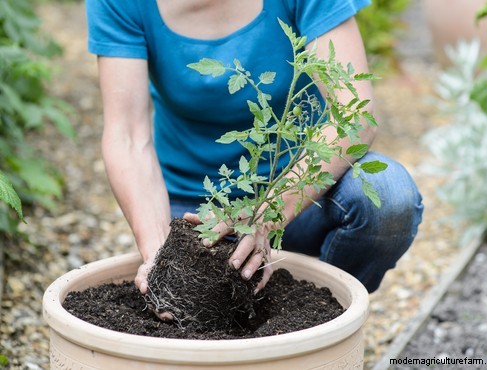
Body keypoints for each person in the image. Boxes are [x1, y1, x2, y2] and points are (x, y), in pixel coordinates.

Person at [86, 0, 423, 298]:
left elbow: (355, 114)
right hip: (194, 210)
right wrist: (161, 253)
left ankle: (323, 309)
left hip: (302, 198)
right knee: (194, 297)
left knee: (387, 195)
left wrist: (269, 214)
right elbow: (127, 136)